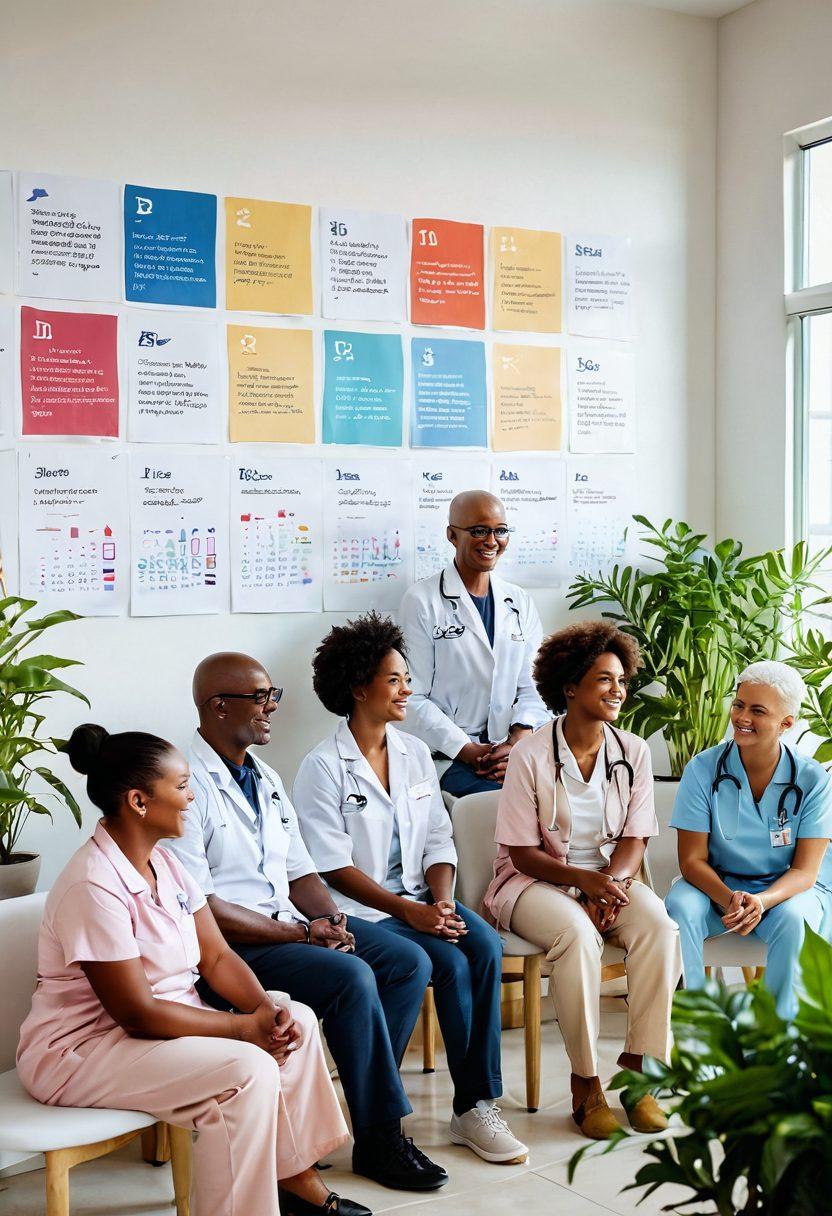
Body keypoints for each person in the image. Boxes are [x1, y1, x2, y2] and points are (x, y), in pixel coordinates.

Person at [17, 724, 366, 1216]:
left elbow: (218, 957)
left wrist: (264, 1012)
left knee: (298, 1020)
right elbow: (136, 1012)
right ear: (139, 802)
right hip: (83, 1051)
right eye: (182, 786)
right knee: (247, 1071)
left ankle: (292, 1182)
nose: (192, 796)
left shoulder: (166, 863)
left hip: (161, 1029)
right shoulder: (92, 886)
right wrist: (242, 1029)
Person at [169, 652, 447, 1193]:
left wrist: (333, 918)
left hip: (289, 925)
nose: (272, 707)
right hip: (231, 947)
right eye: (261, 697)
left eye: (275, 695)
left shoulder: (267, 776)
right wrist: (303, 932)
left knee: (406, 960)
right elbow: (199, 903)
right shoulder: (184, 784)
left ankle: (367, 1108)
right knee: (352, 978)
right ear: (219, 706)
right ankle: (380, 1133)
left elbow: (300, 874)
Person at [293, 612, 528, 1166]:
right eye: (395, 679)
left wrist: (442, 903)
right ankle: (373, 1104)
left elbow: (438, 842)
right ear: (358, 688)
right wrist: (412, 913)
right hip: (360, 911)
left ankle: (474, 1107)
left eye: (406, 677)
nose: (408, 689)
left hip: (422, 901)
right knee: (434, 964)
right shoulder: (322, 768)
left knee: (484, 947)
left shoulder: (415, 754)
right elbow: (331, 868)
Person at [483, 621, 681, 1140]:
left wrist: (610, 885)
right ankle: (586, 1083)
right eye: (603, 680)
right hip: (533, 883)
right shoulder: (530, 754)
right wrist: (584, 886)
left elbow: (637, 839)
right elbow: (523, 853)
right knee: (576, 934)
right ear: (570, 687)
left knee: (660, 925)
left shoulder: (633, 751)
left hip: (609, 878)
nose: (617, 690)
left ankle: (642, 1076)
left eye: (621, 680)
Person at [666, 660, 832, 1021]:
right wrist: (731, 899)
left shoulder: (812, 779)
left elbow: (805, 871)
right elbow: (691, 860)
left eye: (758, 710)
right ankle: (699, 1031)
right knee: (680, 909)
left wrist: (760, 900)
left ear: (785, 723)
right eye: (739, 704)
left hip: (784, 889)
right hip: (714, 885)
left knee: (795, 919)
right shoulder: (703, 769)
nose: (742, 717)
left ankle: (773, 1039)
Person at [398, 490, 550, 799]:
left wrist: (519, 738)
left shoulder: (518, 601)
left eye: (500, 530)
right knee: (513, 804)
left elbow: (534, 685)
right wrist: (465, 748)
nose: (492, 541)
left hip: (509, 753)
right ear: (452, 535)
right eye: (479, 530)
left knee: (560, 798)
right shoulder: (422, 600)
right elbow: (411, 697)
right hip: (448, 756)